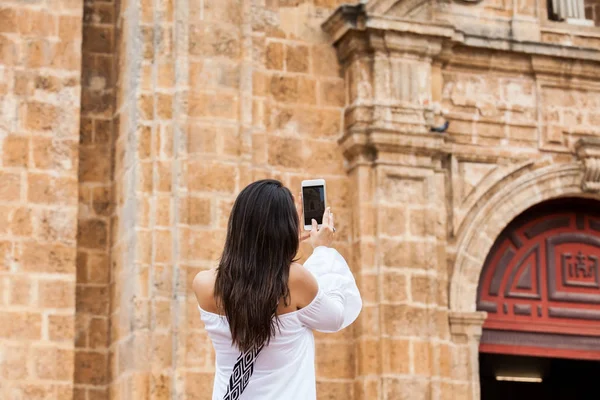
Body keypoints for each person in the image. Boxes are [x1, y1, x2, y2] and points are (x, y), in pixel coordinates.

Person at [193, 179, 362, 400]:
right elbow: (336, 316)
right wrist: (322, 251)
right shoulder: (294, 281)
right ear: (284, 229)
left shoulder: (204, 285)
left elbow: (246, 277)